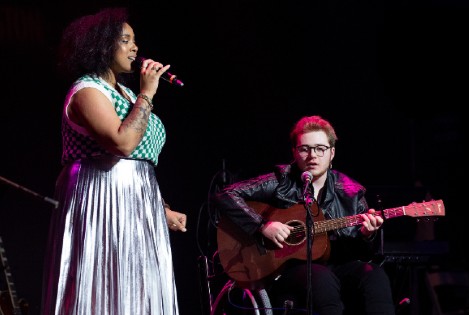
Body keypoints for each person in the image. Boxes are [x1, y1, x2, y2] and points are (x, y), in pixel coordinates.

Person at [40, 7, 187, 315]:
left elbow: (140, 161)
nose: (135, 48)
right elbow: (122, 144)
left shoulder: (127, 94)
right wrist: (148, 93)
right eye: (125, 39)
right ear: (101, 44)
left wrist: (162, 208)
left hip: (138, 198)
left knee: (140, 288)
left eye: (134, 40)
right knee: (103, 286)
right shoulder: (87, 90)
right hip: (100, 195)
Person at [214, 115, 395, 315]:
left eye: (320, 148)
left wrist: (367, 234)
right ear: (294, 152)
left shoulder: (351, 192)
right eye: (304, 149)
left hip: (337, 266)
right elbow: (225, 195)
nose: (312, 156)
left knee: (375, 276)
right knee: (320, 278)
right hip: (285, 269)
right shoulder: (281, 180)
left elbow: (365, 255)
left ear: (332, 152)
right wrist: (262, 225)